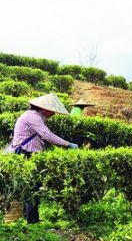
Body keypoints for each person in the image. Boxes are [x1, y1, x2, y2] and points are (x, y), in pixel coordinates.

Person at [5, 93, 79, 224]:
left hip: (27, 153)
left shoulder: (34, 116)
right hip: (25, 154)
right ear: (44, 108)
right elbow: (46, 134)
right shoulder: (33, 117)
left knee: (32, 187)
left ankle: (31, 218)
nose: (54, 114)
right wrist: (68, 144)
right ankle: (31, 221)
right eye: (52, 110)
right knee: (32, 187)